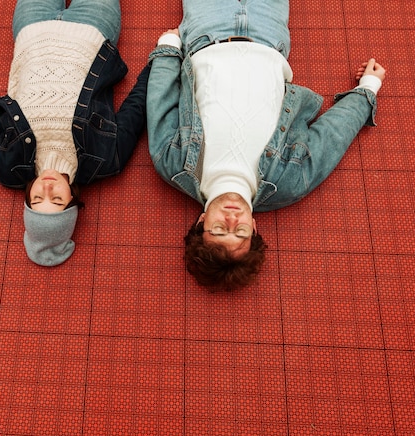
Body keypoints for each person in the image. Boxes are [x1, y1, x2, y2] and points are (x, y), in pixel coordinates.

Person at [146, 0, 386, 290]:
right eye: (241, 231)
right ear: (255, 229)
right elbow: (333, 135)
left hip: (206, 34)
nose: (232, 218)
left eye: (220, 229)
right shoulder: (289, 182)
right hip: (269, 37)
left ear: (200, 223)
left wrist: (168, 50)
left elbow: (161, 103)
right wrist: (368, 89)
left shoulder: (174, 166)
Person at [0, 0, 150, 266]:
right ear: (73, 199)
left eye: (37, 198)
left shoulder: (7, 165)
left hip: (32, 27)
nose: (47, 187)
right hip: (93, 28)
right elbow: (138, 104)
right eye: (57, 199)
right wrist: (165, 53)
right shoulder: (106, 159)